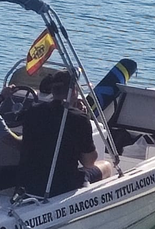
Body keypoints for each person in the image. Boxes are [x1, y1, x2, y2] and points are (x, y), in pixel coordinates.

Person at [18, 69, 113, 197]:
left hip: (29, 182)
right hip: (62, 184)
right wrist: (84, 118)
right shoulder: (79, 119)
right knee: (106, 166)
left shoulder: (32, 112)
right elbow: (89, 162)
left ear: (52, 90)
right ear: (74, 91)